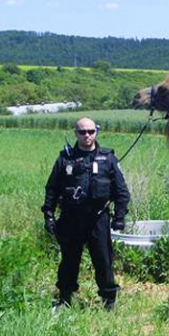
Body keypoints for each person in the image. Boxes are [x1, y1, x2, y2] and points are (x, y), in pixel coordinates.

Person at [41, 117, 130, 311]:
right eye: (82, 132)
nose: (87, 135)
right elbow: (52, 189)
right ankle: (64, 299)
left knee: (103, 260)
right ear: (76, 133)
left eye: (90, 131)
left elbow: (121, 191)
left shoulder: (108, 158)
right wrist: (48, 215)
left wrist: (119, 217)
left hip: (98, 218)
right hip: (71, 218)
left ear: (96, 131)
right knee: (69, 261)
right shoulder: (65, 159)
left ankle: (109, 302)